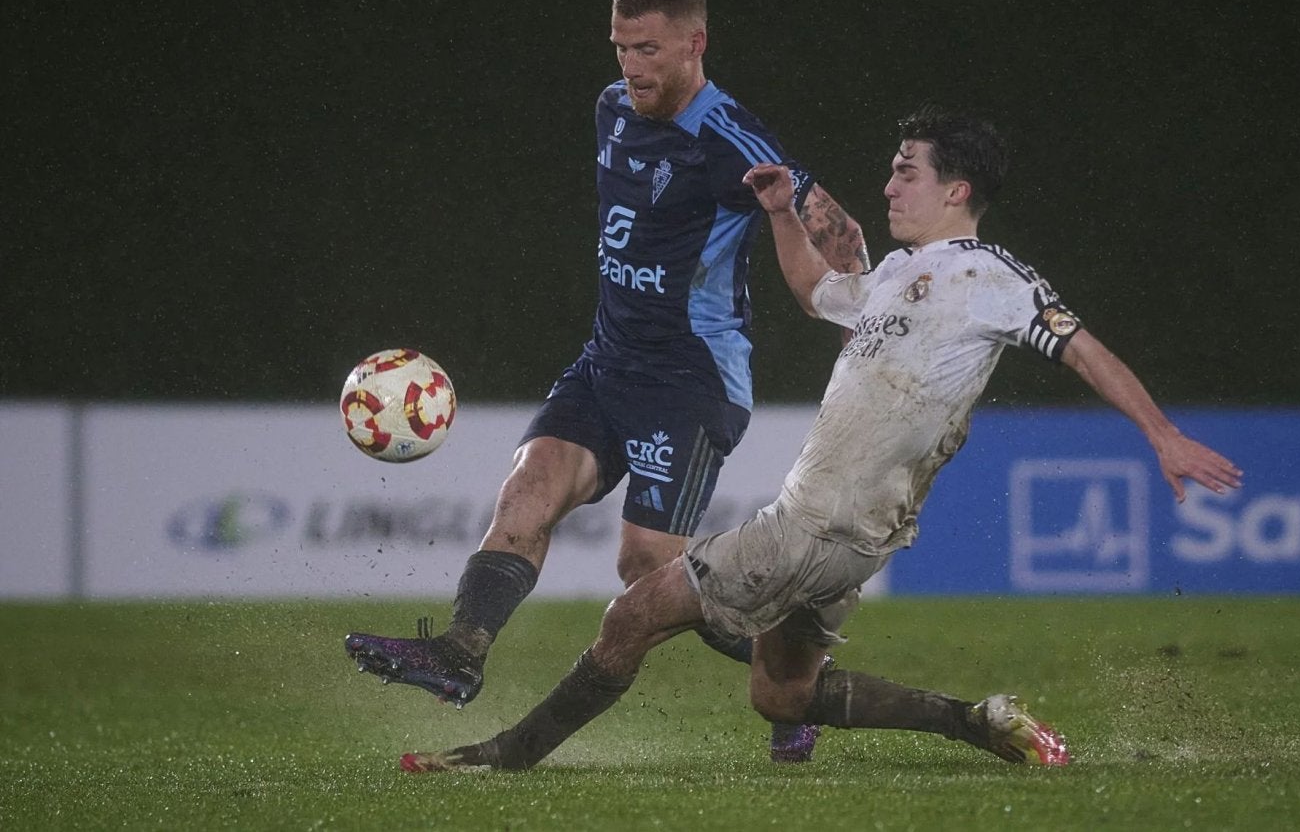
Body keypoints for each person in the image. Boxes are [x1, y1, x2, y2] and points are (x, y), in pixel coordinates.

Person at [393, 104, 1244, 773]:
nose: (888, 186)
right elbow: (817, 294)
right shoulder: (899, 277)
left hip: (811, 527)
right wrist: (779, 215)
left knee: (631, 614)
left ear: (957, 191)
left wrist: (1162, 435)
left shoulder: (994, 277)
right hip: (856, 538)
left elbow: (1083, 346)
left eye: (907, 172)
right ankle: (975, 721)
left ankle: (505, 755)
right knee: (780, 693)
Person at [345, 0, 868, 763]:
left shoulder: (734, 141)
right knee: (527, 490)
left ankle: (792, 679)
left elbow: (842, 236)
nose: (631, 66)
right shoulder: (611, 108)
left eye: (649, 49)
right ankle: (460, 653)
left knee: (647, 567)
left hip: (690, 380)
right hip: (604, 363)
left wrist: (857, 349)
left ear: (696, 43)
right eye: (621, 47)